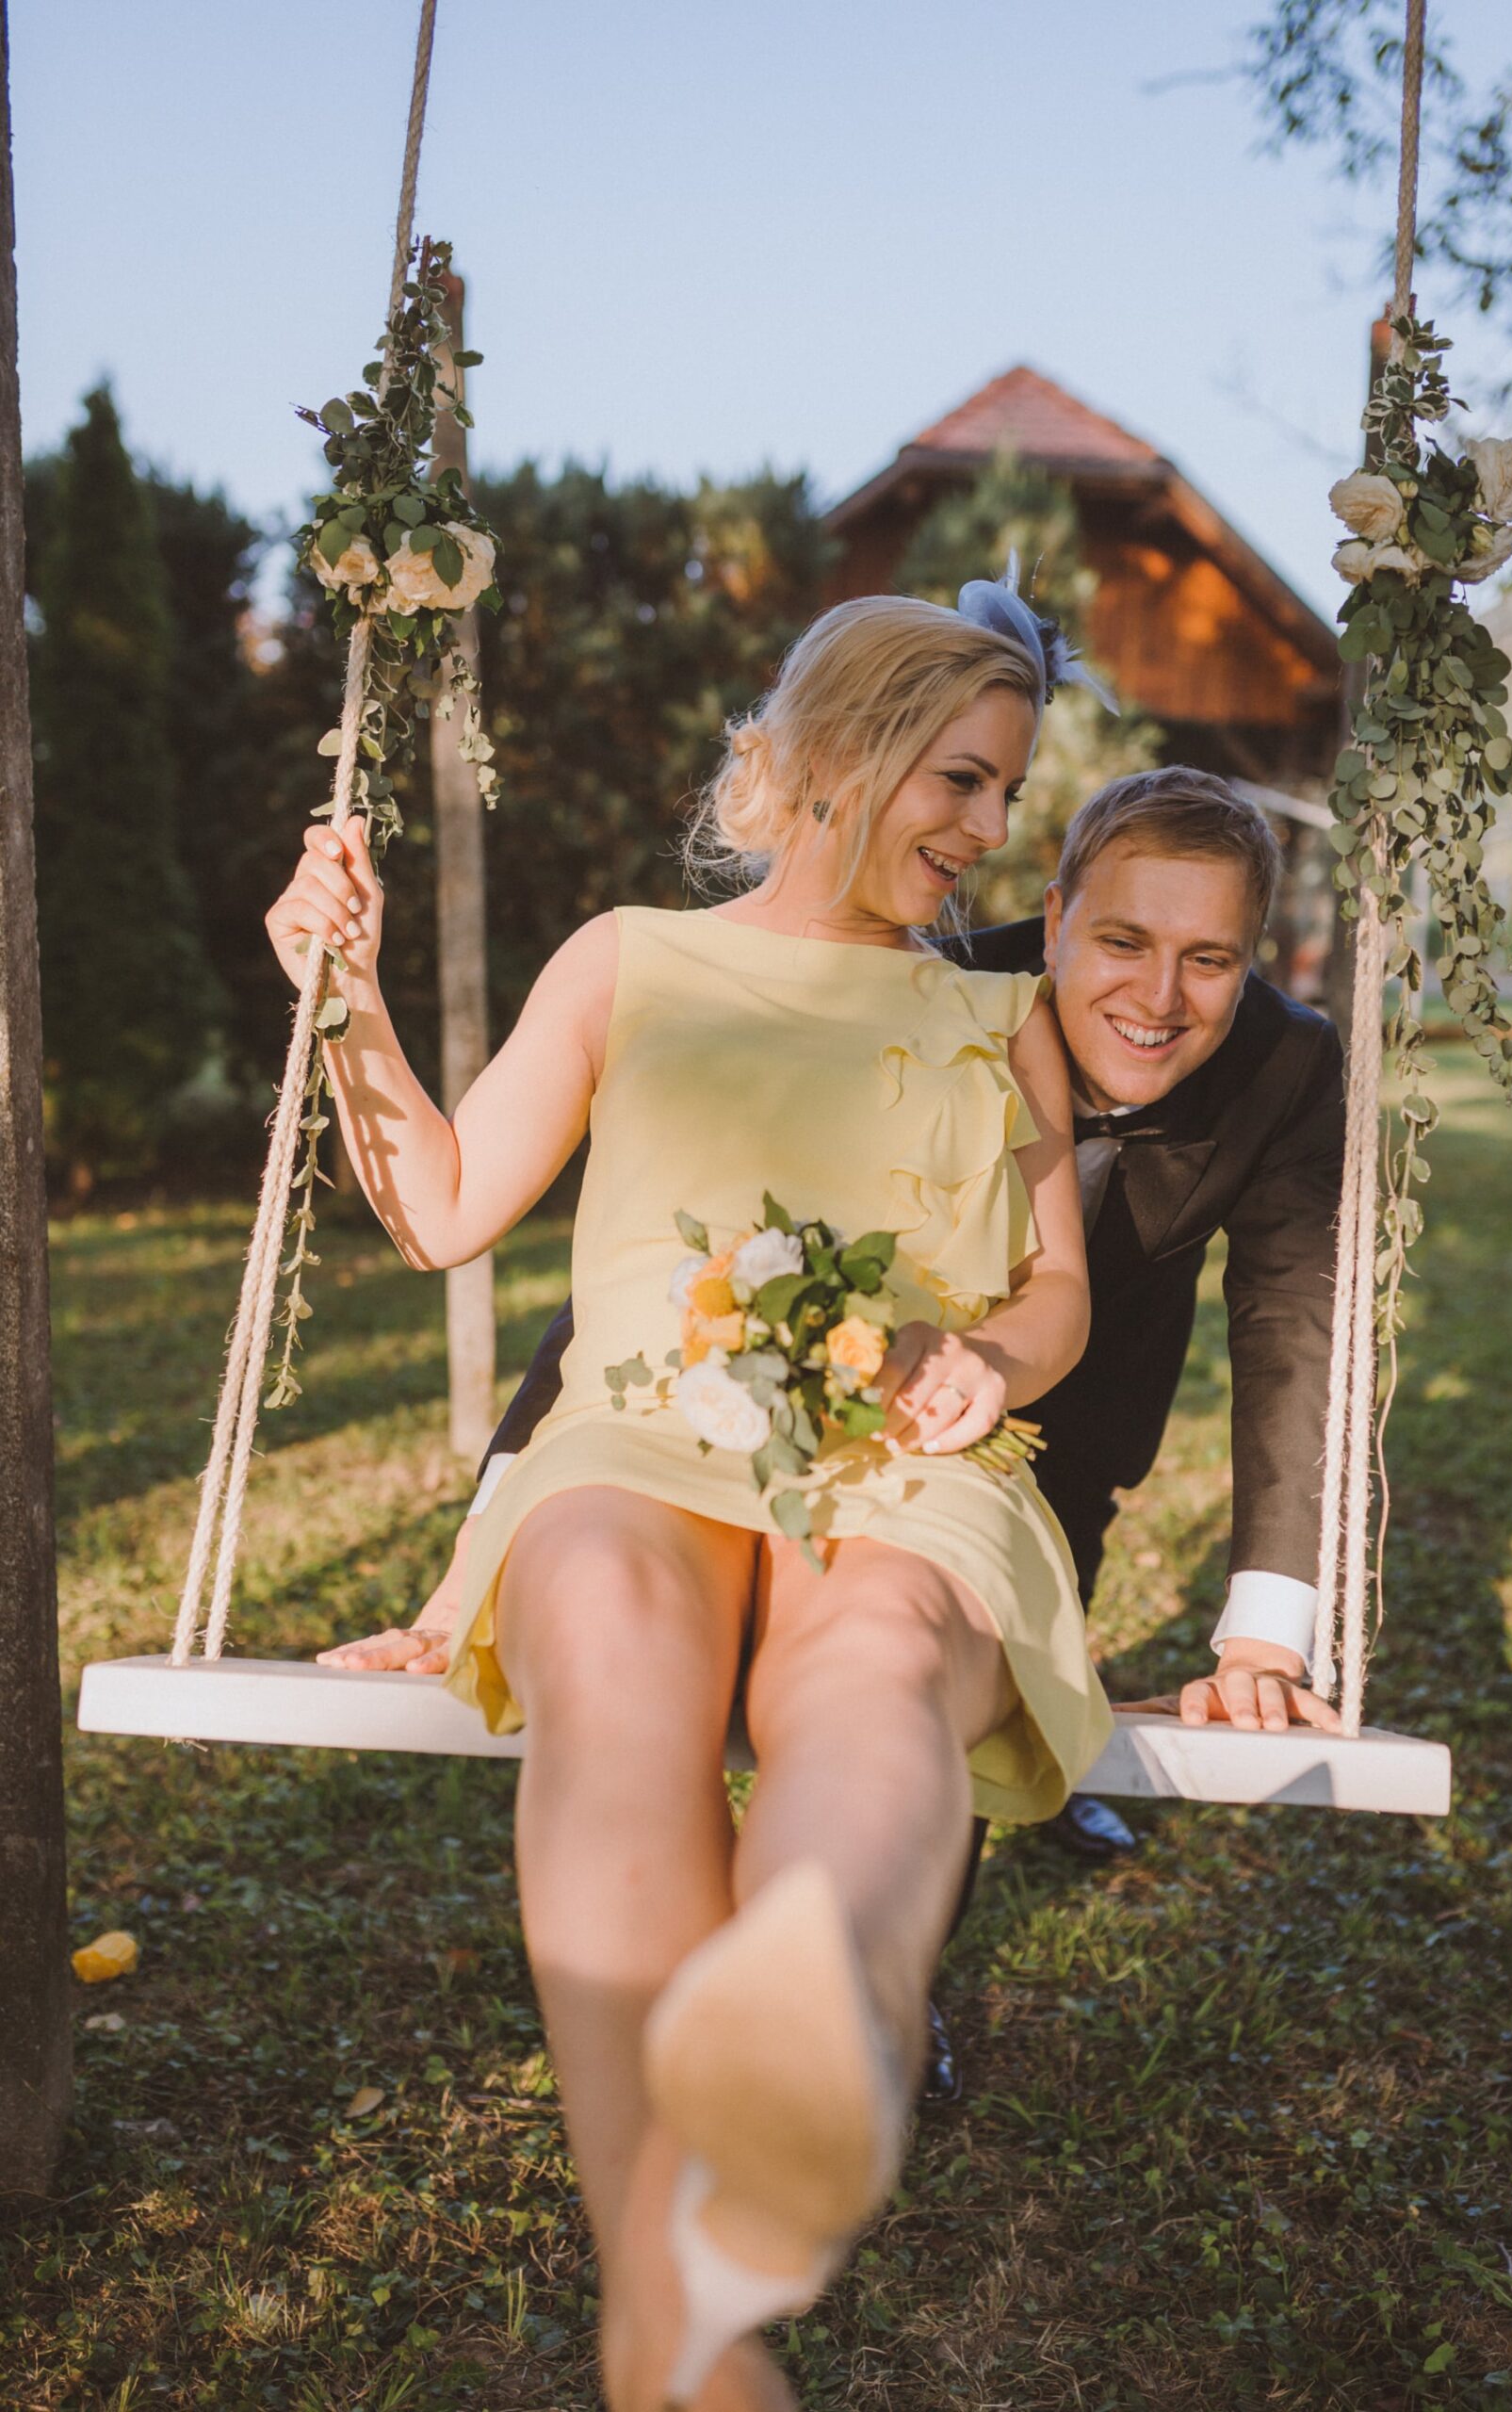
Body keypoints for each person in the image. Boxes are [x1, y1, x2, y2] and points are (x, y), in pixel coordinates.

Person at [276, 583, 1123, 2412]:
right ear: (841, 749)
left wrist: (994, 1360)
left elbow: (1054, 1288)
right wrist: (341, 1000)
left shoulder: (1002, 1015)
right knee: (601, 1615)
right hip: (644, 1430)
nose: (991, 829)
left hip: (900, 1449)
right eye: (963, 779)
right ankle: (685, 2310)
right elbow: (440, 1205)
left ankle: (816, 2011)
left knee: (872, 1652)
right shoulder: (627, 962)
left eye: (1005, 790)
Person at [391, 769, 1351, 1897]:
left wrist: (1264, 1637)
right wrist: (491, 1528)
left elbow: (1294, 1328)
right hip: (875, 1405)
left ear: (1252, 956)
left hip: (1087, 1400)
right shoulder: (927, 991)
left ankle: (907, 1938)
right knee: (847, 1651)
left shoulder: (1287, 1062)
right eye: (1124, 941)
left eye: (1210, 960)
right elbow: (667, 1275)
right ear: (1055, 917)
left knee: (974, 1703)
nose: (1160, 995)